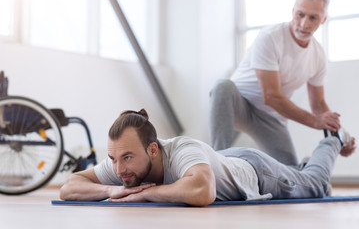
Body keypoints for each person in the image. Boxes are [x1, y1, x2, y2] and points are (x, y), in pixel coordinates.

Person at [60, 109, 355, 207]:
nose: (119, 168)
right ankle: (300, 165)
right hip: (220, 160)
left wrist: (146, 194)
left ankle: (331, 142)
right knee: (302, 175)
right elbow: (68, 188)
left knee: (315, 184)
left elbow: (203, 190)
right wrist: (112, 190)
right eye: (113, 159)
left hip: (256, 172)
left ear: (153, 149)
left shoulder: (181, 149)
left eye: (125, 158)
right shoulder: (124, 167)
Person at [209, 0, 350, 165]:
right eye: (300, 15)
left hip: (270, 118)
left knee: (290, 175)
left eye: (313, 18)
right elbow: (271, 96)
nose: (304, 24)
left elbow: (319, 105)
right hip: (239, 105)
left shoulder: (318, 55)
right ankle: (219, 165)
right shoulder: (270, 37)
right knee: (222, 86)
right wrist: (314, 121)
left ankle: (302, 170)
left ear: (323, 19)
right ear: (293, 11)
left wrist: (341, 134)